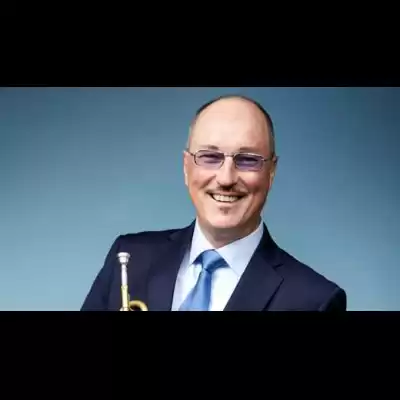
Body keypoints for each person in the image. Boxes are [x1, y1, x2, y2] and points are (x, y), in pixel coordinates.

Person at [81, 94, 347, 311]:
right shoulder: (129, 258)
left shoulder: (315, 301)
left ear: (271, 172)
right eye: (210, 157)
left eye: (248, 160)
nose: (226, 178)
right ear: (186, 167)